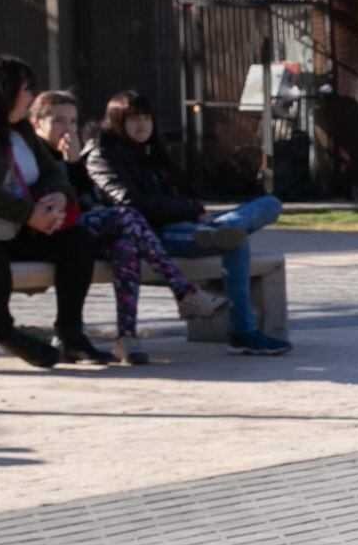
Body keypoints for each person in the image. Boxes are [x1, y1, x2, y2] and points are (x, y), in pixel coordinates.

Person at [87, 91, 291, 355]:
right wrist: (188, 210)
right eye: (134, 118)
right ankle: (243, 333)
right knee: (235, 241)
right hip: (154, 235)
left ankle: (222, 228)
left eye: (147, 118)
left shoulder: (154, 154)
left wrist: (194, 212)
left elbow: (187, 194)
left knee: (269, 204)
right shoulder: (103, 156)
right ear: (117, 121)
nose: (143, 125)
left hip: (189, 224)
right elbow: (129, 203)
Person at [31, 90, 221, 364]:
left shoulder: (71, 154)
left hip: (78, 233)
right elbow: (57, 201)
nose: (68, 129)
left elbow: (82, 195)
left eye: (73, 122)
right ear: (37, 123)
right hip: (47, 231)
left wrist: (73, 163)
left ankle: (126, 337)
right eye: (59, 121)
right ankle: (183, 290)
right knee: (126, 216)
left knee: (126, 245)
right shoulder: (32, 152)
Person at [0, 55, 106, 368]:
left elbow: (51, 170)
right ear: (4, 90)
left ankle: (71, 335)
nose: (32, 98)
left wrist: (59, 198)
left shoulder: (18, 126)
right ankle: (4, 333)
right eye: (27, 90)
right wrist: (28, 213)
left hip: (16, 227)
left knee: (78, 241)